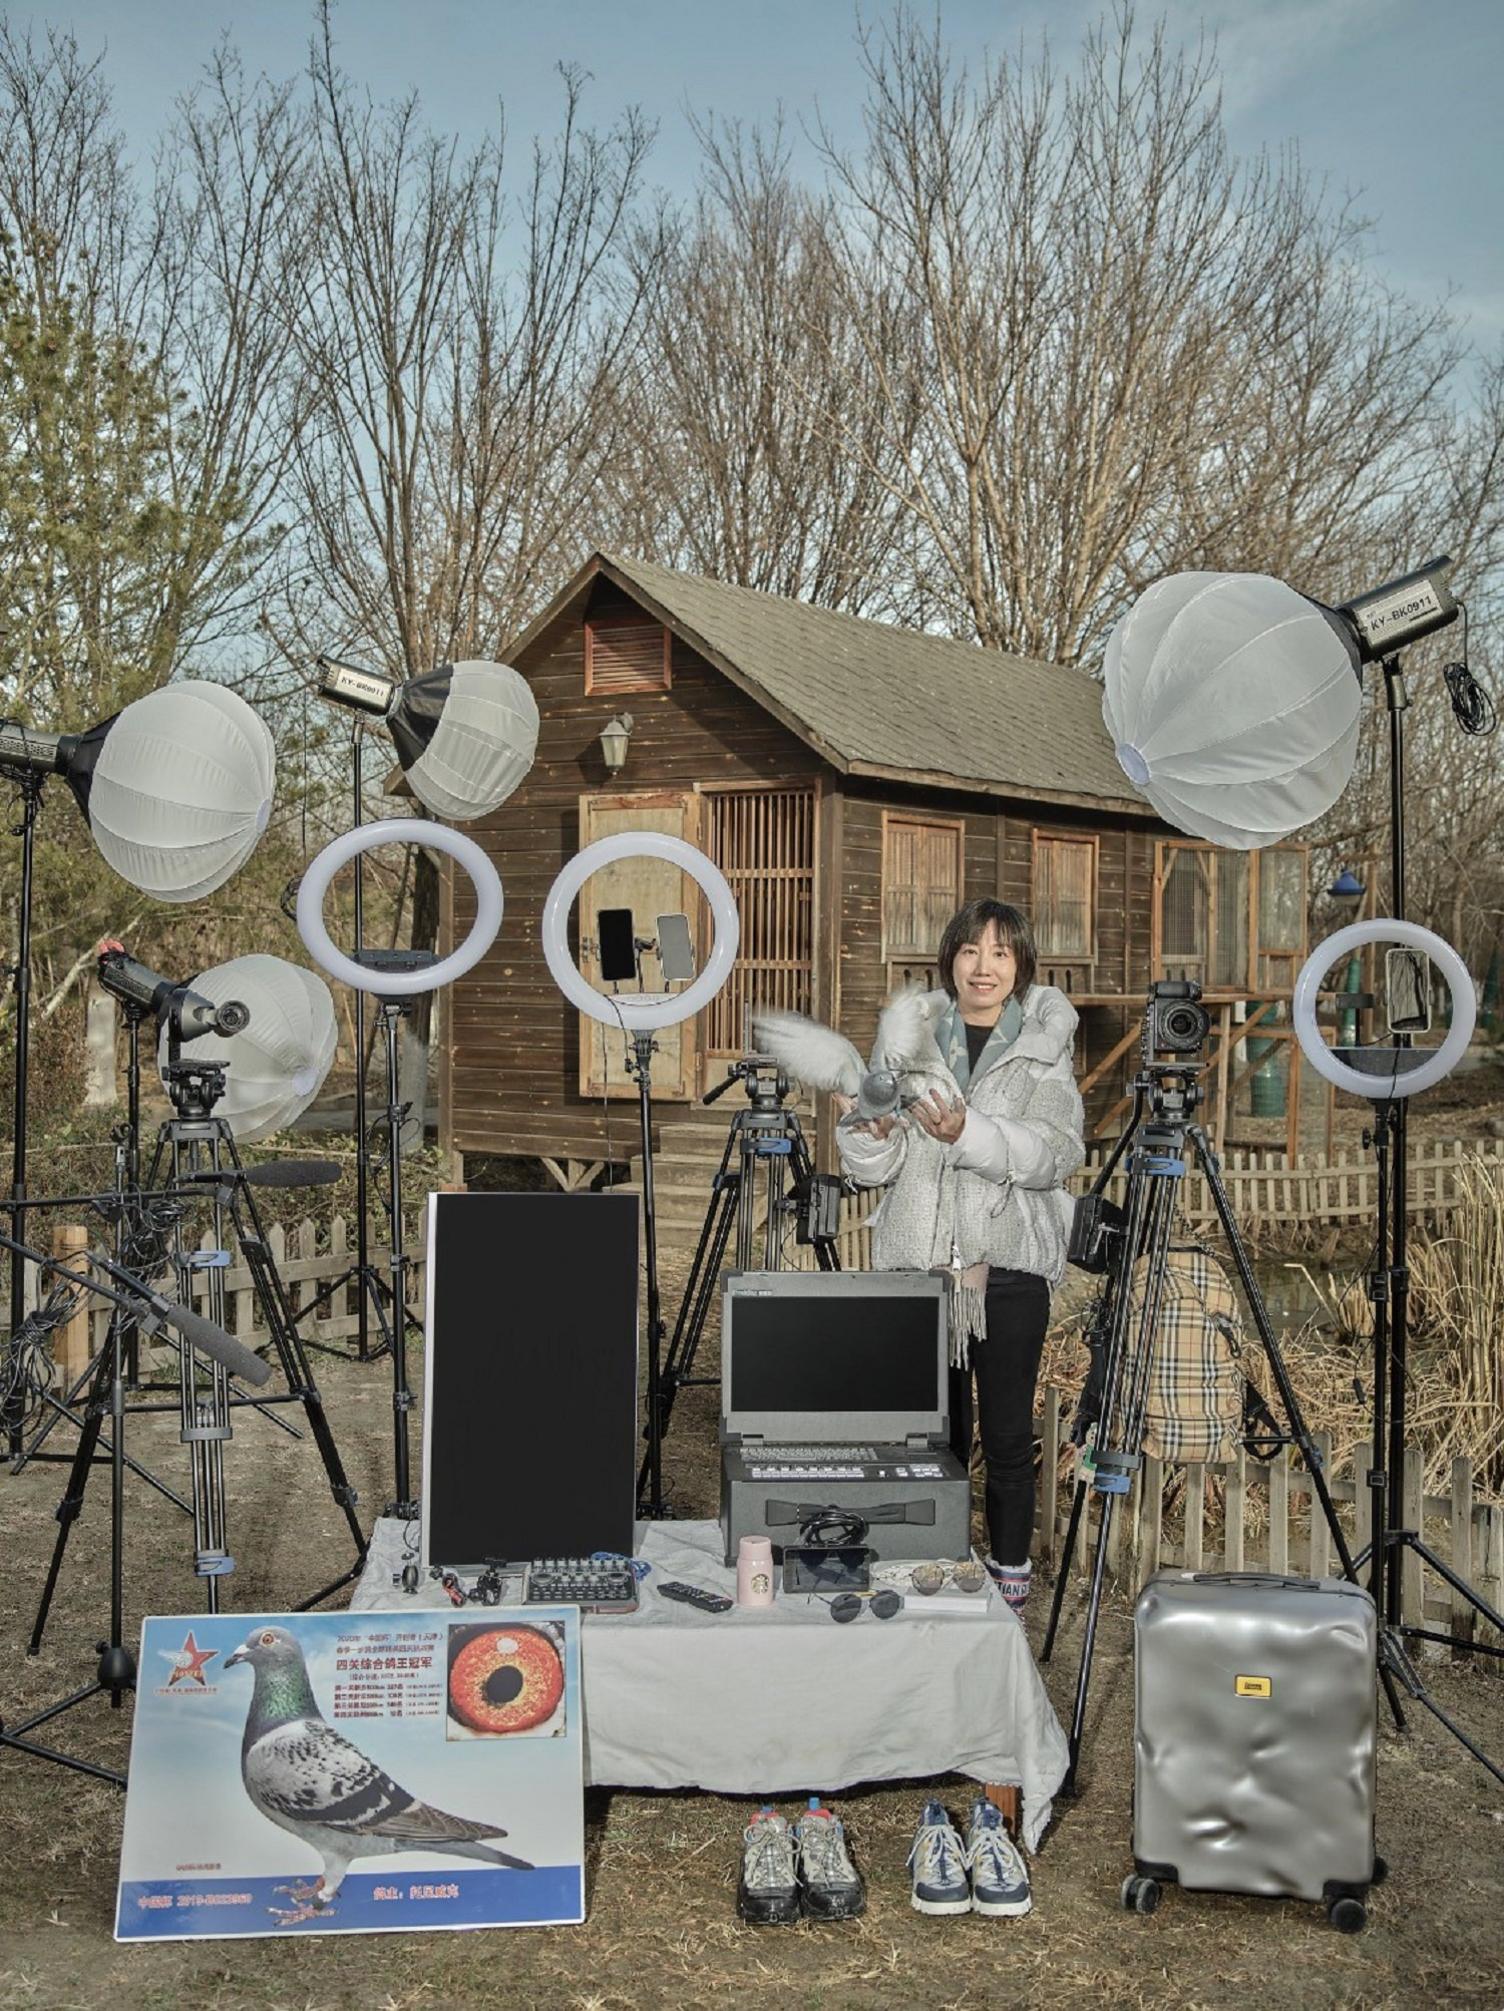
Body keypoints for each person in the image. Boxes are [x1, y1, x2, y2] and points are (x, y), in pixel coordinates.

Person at [834, 899, 1084, 1612]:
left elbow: (1056, 1152)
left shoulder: (1044, 1046)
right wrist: (870, 1132)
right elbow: (872, 1170)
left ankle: (1008, 1575)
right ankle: (931, 1562)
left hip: (1005, 1271)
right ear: (950, 958)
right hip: (920, 1270)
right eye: (971, 949)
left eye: (1001, 952)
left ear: (1021, 966)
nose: (984, 965)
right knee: (931, 1437)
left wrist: (967, 1133)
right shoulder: (907, 1041)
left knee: (1007, 1435)